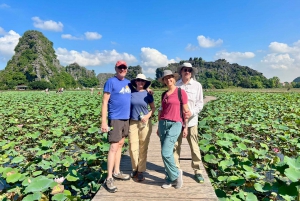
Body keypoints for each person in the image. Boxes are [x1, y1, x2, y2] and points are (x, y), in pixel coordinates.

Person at [157, 70, 190, 189]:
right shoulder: (164, 94)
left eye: (170, 77)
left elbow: (186, 111)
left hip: (176, 124)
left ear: (174, 79)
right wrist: (158, 126)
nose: (168, 79)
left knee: (166, 151)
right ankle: (169, 178)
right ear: (164, 81)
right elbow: (161, 111)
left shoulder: (181, 92)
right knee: (166, 152)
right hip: (163, 124)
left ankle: (176, 174)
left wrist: (185, 126)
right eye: (166, 78)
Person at [101, 60, 131, 193]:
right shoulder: (110, 82)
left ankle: (117, 171)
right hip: (115, 118)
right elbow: (105, 101)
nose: (122, 69)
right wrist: (104, 122)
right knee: (113, 147)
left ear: (127, 69)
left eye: (124, 67)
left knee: (120, 145)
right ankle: (108, 178)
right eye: (120, 67)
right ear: (116, 68)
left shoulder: (129, 82)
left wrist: (148, 90)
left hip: (126, 118)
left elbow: (139, 89)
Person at [174, 62, 204, 183]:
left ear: (191, 72)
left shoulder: (197, 86)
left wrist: (191, 112)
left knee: (194, 146)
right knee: (175, 146)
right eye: (185, 70)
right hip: (177, 121)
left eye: (189, 70)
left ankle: (197, 171)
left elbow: (200, 103)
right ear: (181, 71)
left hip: (192, 121)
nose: (187, 72)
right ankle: (176, 170)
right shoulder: (176, 85)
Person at [129, 74, 156, 182]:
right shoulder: (130, 92)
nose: (140, 82)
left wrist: (148, 115)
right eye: (138, 80)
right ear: (135, 82)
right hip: (132, 122)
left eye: (142, 81)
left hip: (145, 122)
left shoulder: (148, 94)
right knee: (132, 146)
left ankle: (140, 170)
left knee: (143, 147)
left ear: (145, 83)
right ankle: (135, 168)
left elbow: (153, 108)